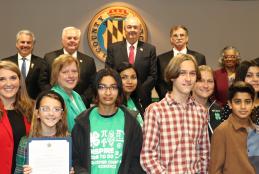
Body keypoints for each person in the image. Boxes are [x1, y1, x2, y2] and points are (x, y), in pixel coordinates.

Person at [140, 54, 210, 173]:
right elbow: (148, 156)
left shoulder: (201, 112)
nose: (188, 79)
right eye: (182, 73)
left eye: (192, 73)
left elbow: (204, 153)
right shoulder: (156, 111)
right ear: (172, 76)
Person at [72, 68, 144, 174]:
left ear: (119, 90)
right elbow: (76, 160)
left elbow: (136, 161)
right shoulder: (82, 122)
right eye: (102, 87)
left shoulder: (131, 122)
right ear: (95, 90)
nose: (108, 92)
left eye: (113, 87)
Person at [14, 90, 74, 174]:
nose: (51, 113)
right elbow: (18, 172)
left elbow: (80, 168)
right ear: (37, 113)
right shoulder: (25, 142)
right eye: (45, 109)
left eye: (56, 109)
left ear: (62, 115)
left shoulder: (71, 140)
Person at [106, 16, 157, 108]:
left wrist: (139, 90)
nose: (132, 30)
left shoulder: (150, 49)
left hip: (143, 98)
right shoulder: (113, 48)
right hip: (118, 98)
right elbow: (109, 72)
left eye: (135, 27)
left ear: (140, 30)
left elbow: (153, 75)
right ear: (124, 29)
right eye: (129, 27)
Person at [209, 81, 256, 174]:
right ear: (230, 104)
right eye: (237, 102)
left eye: (247, 102)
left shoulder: (256, 131)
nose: (243, 106)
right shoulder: (221, 131)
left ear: (253, 104)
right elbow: (215, 170)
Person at [44, 26, 96, 108]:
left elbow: (92, 84)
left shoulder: (89, 61)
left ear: (79, 41)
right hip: (55, 103)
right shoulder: (50, 58)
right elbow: (44, 82)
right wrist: (54, 97)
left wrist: (81, 99)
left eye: (75, 38)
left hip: (81, 104)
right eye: (69, 38)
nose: (72, 40)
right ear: (62, 40)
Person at [0, 61, 33, 174]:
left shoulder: (32, 110)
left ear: (20, 82)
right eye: (2, 79)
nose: (8, 83)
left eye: (13, 78)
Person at [155, 25, 206, 99]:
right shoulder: (161, 59)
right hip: (168, 101)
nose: (179, 38)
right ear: (171, 39)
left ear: (187, 38)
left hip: (193, 100)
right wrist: (169, 97)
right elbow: (159, 83)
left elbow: (200, 80)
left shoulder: (199, 58)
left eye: (182, 35)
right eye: (175, 36)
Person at [3, 30, 49, 99]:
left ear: (33, 45)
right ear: (16, 44)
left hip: (32, 105)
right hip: (9, 102)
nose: (25, 45)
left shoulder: (41, 63)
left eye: (28, 43)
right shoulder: (6, 62)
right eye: (22, 42)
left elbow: (43, 86)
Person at [51, 54, 86, 132]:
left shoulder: (76, 95)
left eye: (74, 71)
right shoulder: (53, 98)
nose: (71, 75)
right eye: (65, 72)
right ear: (56, 75)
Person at [221, 60, 259, 125]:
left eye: (258, 75)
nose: (256, 79)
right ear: (241, 78)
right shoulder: (231, 106)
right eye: (249, 75)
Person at [192, 65, 222, 139]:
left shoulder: (218, 109)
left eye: (210, 81)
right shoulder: (184, 109)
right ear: (192, 83)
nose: (206, 85)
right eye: (201, 81)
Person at [116, 62, 144, 127]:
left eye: (133, 77)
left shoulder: (136, 100)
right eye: (124, 77)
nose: (130, 81)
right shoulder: (114, 104)